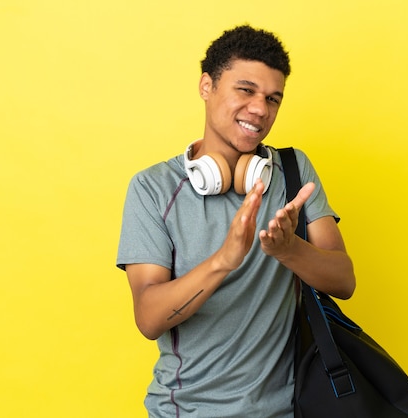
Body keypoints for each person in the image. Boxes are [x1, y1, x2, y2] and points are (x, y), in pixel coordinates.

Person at [117, 24, 356, 417]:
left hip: (285, 411)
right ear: (206, 86)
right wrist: (225, 259)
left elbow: (344, 281)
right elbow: (149, 316)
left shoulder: (294, 172)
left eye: (273, 98)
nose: (260, 109)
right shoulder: (152, 189)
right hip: (184, 412)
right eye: (245, 90)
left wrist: (289, 248)